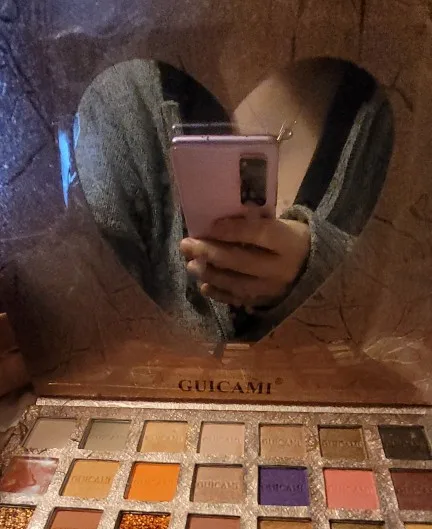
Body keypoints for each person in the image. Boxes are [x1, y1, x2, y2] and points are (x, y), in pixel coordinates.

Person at [75, 58, 393, 342]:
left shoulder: (396, 107)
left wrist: (317, 266)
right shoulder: (121, 98)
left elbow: (403, 309)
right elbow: (90, 307)